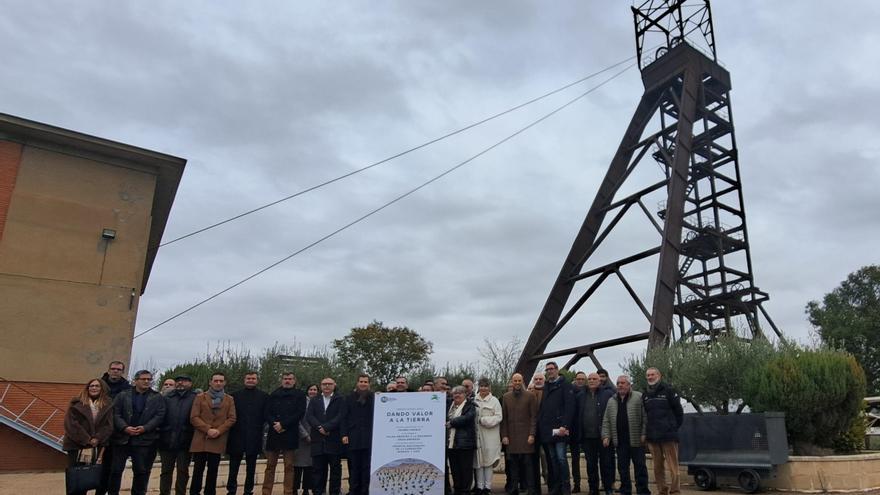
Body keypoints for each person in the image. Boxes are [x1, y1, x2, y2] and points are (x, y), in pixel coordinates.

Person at [108, 370, 166, 495]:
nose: (146, 381)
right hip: (122, 438)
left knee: (141, 472)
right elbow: (115, 413)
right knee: (116, 471)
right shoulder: (123, 395)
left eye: (149, 379)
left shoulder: (157, 397)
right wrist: (124, 427)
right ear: (135, 380)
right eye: (143, 379)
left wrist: (145, 428)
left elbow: (160, 416)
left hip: (144, 440)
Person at [63, 378, 114, 495]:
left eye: (97, 386)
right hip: (77, 446)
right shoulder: (76, 403)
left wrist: (97, 439)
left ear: (102, 389)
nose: (94, 388)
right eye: (91, 386)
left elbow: (109, 425)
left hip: (97, 446)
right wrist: (87, 439)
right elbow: (71, 424)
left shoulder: (108, 404)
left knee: (91, 477)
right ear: (87, 388)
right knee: (77, 478)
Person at [189, 372, 237, 495]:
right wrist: (207, 429)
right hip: (201, 439)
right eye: (216, 381)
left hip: (218, 439)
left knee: (213, 470)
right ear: (210, 382)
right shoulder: (200, 397)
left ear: (224, 383)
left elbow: (232, 418)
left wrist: (219, 430)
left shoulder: (229, 399)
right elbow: (194, 417)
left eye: (221, 381)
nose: (218, 383)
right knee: (198, 470)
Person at [601, 376, 648, 495]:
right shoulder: (612, 400)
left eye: (623, 383)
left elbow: (645, 417)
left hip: (636, 440)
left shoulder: (638, 397)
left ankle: (642, 491)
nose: (620, 385)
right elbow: (606, 420)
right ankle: (626, 490)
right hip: (620, 441)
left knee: (640, 467)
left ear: (629, 385)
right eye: (618, 383)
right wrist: (606, 435)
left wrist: (644, 433)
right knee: (622, 468)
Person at [263, 372, 307, 495]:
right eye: (285, 379)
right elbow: (267, 412)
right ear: (281, 380)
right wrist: (275, 424)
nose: (287, 381)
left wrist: (283, 425)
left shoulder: (300, 395)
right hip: (274, 433)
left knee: (289, 466)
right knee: (270, 466)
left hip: (290, 433)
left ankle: (288, 492)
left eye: (290, 379)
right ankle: (266, 492)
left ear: (294, 381)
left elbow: (299, 413)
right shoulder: (274, 394)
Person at [227, 372, 269, 495]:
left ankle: (248, 490)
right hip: (236, 436)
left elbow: (266, 416)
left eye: (253, 378)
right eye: (248, 378)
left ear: (257, 380)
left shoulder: (264, 396)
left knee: (251, 467)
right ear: (244, 379)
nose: (251, 380)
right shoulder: (234, 396)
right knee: (233, 466)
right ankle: (231, 490)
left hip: (254, 436)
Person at [643, 368, 683, 495]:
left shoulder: (669, 390)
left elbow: (679, 412)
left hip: (668, 435)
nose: (650, 377)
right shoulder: (645, 394)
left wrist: (672, 427)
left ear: (659, 375)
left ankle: (675, 490)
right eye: (648, 375)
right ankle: (662, 490)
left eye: (652, 374)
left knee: (673, 466)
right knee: (657, 467)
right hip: (653, 437)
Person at [537, 362, 575, 495]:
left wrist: (565, 425)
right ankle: (556, 487)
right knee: (552, 460)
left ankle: (565, 487)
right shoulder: (546, 386)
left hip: (560, 429)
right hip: (548, 430)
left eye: (551, 369)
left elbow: (570, 407)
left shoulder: (565, 385)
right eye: (547, 370)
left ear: (557, 370)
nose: (549, 371)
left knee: (561, 458)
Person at [158, 375, 196, 495]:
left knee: (183, 471)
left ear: (190, 383)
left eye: (184, 381)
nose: (180, 383)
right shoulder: (167, 397)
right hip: (167, 440)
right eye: (178, 381)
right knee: (165, 471)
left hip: (186, 441)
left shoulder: (195, 398)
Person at [501, 373, 538, 495]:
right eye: (515, 381)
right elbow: (504, 419)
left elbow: (534, 417)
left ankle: (531, 490)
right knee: (513, 466)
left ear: (522, 381)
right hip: (511, 438)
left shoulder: (530, 396)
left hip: (526, 437)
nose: (517, 383)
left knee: (528, 466)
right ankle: (513, 489)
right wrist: (504, 435)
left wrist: (532, 434)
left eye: (519, 381)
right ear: (512, 382)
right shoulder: (506, 397)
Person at [578, 373, 614, 495]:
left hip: (603, 436)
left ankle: (608, 487)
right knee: (591, 465)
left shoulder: (608, 394)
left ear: (600, 381)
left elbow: (611, 416)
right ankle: (593, 488)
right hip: (587, 437)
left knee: (606, 463)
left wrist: (608, 434)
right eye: (590, 379)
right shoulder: (581, 395)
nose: (592, 381)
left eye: (595, 379)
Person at [307, 377, 344, 495]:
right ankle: (318, 492)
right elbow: (310, 416)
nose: (326, 386)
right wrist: (319, 427)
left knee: (335, 470)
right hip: (318, 440)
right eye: (324, 384)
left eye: (329, 384)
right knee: (318, 470)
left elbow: (341, 415)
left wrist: (327, 427)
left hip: (334, 440)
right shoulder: (314, 400)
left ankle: (334, 492)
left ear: (334, 385)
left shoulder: (340, 399)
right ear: (321, 386)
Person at [100, 361, 131, 495]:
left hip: (118, 435)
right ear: (108, 370)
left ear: (122, 372)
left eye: (118, 369)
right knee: (98, 469)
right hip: (99, 434)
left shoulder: (128, 390)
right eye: (113, 369)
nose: (115, 371)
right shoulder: (98, 385)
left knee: (116, 470)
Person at [341, 374, 374, 495]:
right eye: (361, 381)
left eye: (366, 382)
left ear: (369, 384)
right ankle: (353, 490)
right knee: (353, 467)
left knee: (366, 467)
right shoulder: (349, 398)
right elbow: (344, 417)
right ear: (357, 383)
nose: (363, 384)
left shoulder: (375, 398)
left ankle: (365, 491)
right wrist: (344, 434)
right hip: (353, 437)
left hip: (369, 438)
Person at [473, 378, 502, 495]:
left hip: (491, 437)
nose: (483, 388)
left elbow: (499, 417)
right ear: (478, 387)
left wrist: (484, 420)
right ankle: (479, 487)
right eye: (481, 386)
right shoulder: (473, 400)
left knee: (489, 462)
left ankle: (487, 487)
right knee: (478, 462)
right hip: (477, 436)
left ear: (489, 387)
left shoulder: (494, 401)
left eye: (486, 386)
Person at [446, 385, 476, 495]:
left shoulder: (470, 405)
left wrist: (451, 423)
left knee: (466, 471)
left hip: (465, 444)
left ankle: (465, 491)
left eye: (460, 393)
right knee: (455, 470)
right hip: (451, 444)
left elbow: (467, 418)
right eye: (455, 393)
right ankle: (457, 490)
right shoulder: (449, 405)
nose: (457, 395)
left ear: (466, 395)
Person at [294, 385, 319, 495]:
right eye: (310, 389)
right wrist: (305, 435)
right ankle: (294, 489)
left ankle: (306, 489)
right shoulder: (301, 402)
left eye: (315, 390)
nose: (312, 391)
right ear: (307, 391)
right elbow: (297, 421)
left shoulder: (320, 403)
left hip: (315, 439)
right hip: (301, 439)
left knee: (310, 467)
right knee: (298, 466)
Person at [570, 372, 588, 493]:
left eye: (582, 379)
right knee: (575, 460)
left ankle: (593, 483)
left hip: (586, 431)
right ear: (575, 380)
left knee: (591, 459)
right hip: (574, 431)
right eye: (578, 379)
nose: (580, 381)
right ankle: (577, 484)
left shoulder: (589, 393)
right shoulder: (570, 392)